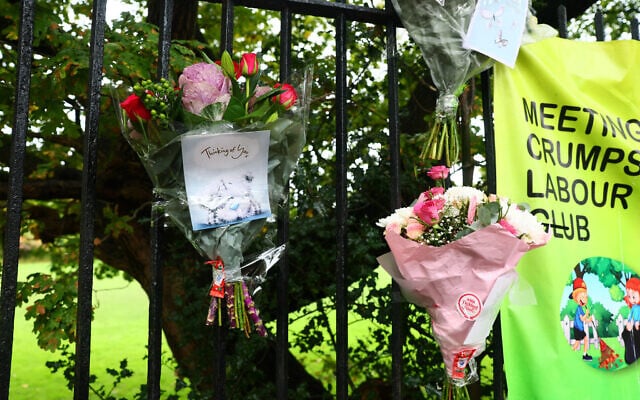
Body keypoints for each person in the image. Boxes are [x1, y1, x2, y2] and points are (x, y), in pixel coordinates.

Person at [570, 277, 593, 361]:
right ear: (576, 297)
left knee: (585, 340)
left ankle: (585, 354)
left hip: (580, 328)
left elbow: (584, 320)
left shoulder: (581, 308)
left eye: (585, 297)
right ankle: (570, 354)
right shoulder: (579, 309)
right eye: (582, 296)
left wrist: (589, 320)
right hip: (578, 329)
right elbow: (582, 319)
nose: (584, 299)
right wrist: (586, 314)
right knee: (577, 343)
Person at [622, 277, 640, 365]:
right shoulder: (633, 310)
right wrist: (628, 329)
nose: (631, 299)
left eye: (634, 296)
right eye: (629, 297)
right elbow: (624, 336)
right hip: (630, 359)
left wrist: (637, 328)